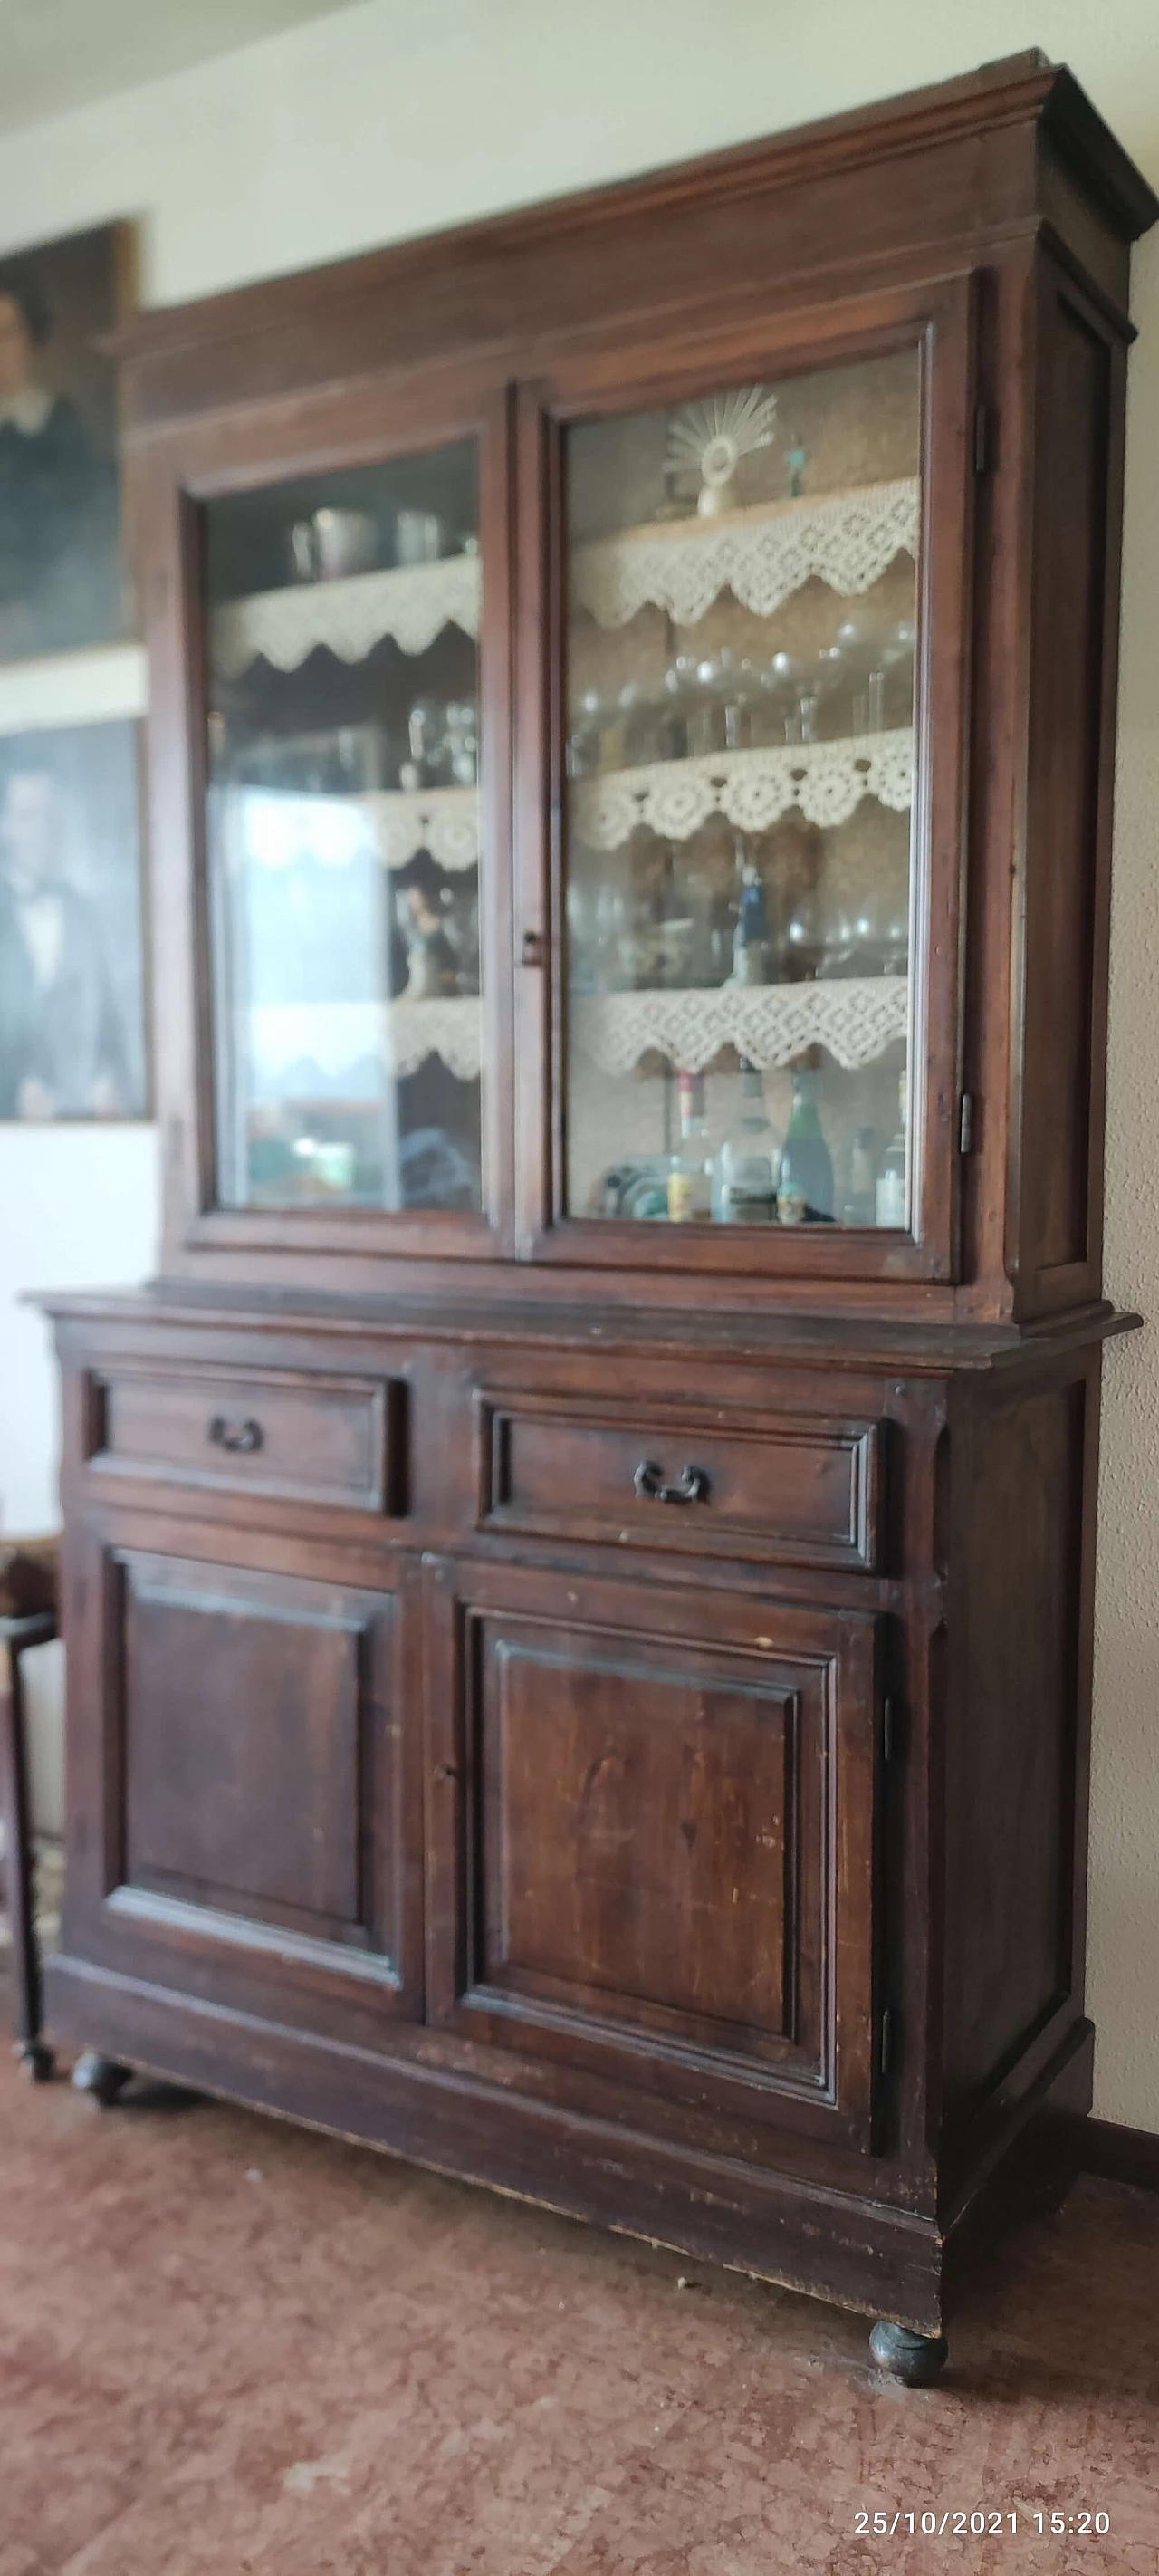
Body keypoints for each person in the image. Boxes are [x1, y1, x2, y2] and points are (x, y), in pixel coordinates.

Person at [0, 759, 132, 1118]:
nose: (41, 830)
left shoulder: (83, 915)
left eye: (49, 816)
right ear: (5, 826)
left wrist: (107, 1077)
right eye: (29, 816)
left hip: (81, 1131)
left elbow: (109, 1025)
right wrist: (14, 1089)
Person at [0, 268, 120, 653]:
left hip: (62, 606)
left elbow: (95, 517)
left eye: (7, 334)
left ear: (29, 338)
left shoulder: (62, 422)